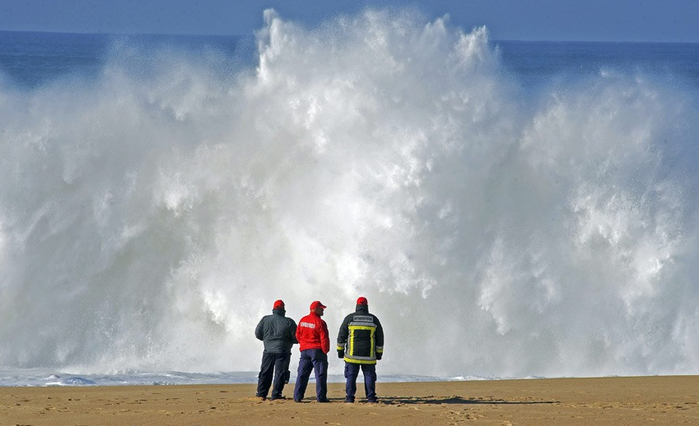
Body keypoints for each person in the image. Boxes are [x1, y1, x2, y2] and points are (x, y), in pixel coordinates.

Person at [337, 296, 384, 403]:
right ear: (366, 306)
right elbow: (380, 338)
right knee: (369, 377)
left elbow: (341, 336)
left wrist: (340, 351)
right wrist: (379, 353)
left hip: (352, 357)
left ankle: (349, 397)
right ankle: (371, 398)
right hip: (369, 357)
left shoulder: (349, 318)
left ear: (357, 306)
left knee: (351, 377)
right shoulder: (374, 319)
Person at [254, 299, 298, 401]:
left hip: (268, 350)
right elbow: (296, 338)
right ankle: (276, 394)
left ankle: (261, 394)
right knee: (280, 373)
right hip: (283, 351)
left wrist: (267, 340)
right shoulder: (289, 322)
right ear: (283, 309)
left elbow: (257, 334)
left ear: (273, 309)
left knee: (265, 372)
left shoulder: (265, 319)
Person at [293, 300, 330, 403]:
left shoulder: (303, 320)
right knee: (320, 374)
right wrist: (325, 351)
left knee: (302, 374)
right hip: (317, 350)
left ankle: (297, 396)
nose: (323, 310)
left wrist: (303, 344)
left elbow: (297, 335)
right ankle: (321, 397)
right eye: (321, 309)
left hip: (305, 350)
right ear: (316, 309)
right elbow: (324, 339)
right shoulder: (320, 322)